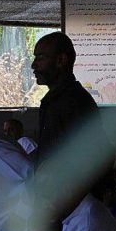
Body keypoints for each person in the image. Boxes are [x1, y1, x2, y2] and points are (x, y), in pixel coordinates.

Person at [31, 32, 102, 162]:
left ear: (61, 60)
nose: (33, 65)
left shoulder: (73, 102)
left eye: (40, 58)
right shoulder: (56, 99)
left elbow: (84, 158)